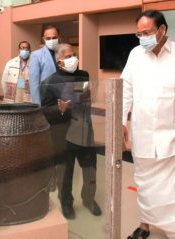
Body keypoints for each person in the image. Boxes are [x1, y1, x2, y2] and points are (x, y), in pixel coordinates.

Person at [122, 10, 175, 239]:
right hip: (143, 134)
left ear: (162, 30)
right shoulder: (135, 55)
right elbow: (126, 91)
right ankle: (145, 224)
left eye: (146, 33)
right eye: (138, 34)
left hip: (173, 135)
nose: (142, 38)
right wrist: (121, 122)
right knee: (145, 185)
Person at [40, 43, 101, 219]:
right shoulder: (49, 82)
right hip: (62, 135)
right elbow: (44, 111)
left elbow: (89, 95)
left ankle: (89, 199)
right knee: (65, 173)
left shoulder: (84, 75)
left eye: (74, 55)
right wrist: (60, 108)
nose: (73, 59)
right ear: (59, 62)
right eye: (68, 57)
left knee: (90, 169)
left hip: (84, 131)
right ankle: (66, 202)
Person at [29, 24, 59, 105]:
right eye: (48, 38)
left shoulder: (62, 53)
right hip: (46, 99)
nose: (52, 40)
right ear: (44, 39)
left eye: (54, 37)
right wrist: (37, 105)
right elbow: (34, 84)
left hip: (63, 98)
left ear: (58, 37)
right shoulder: (36, 55)